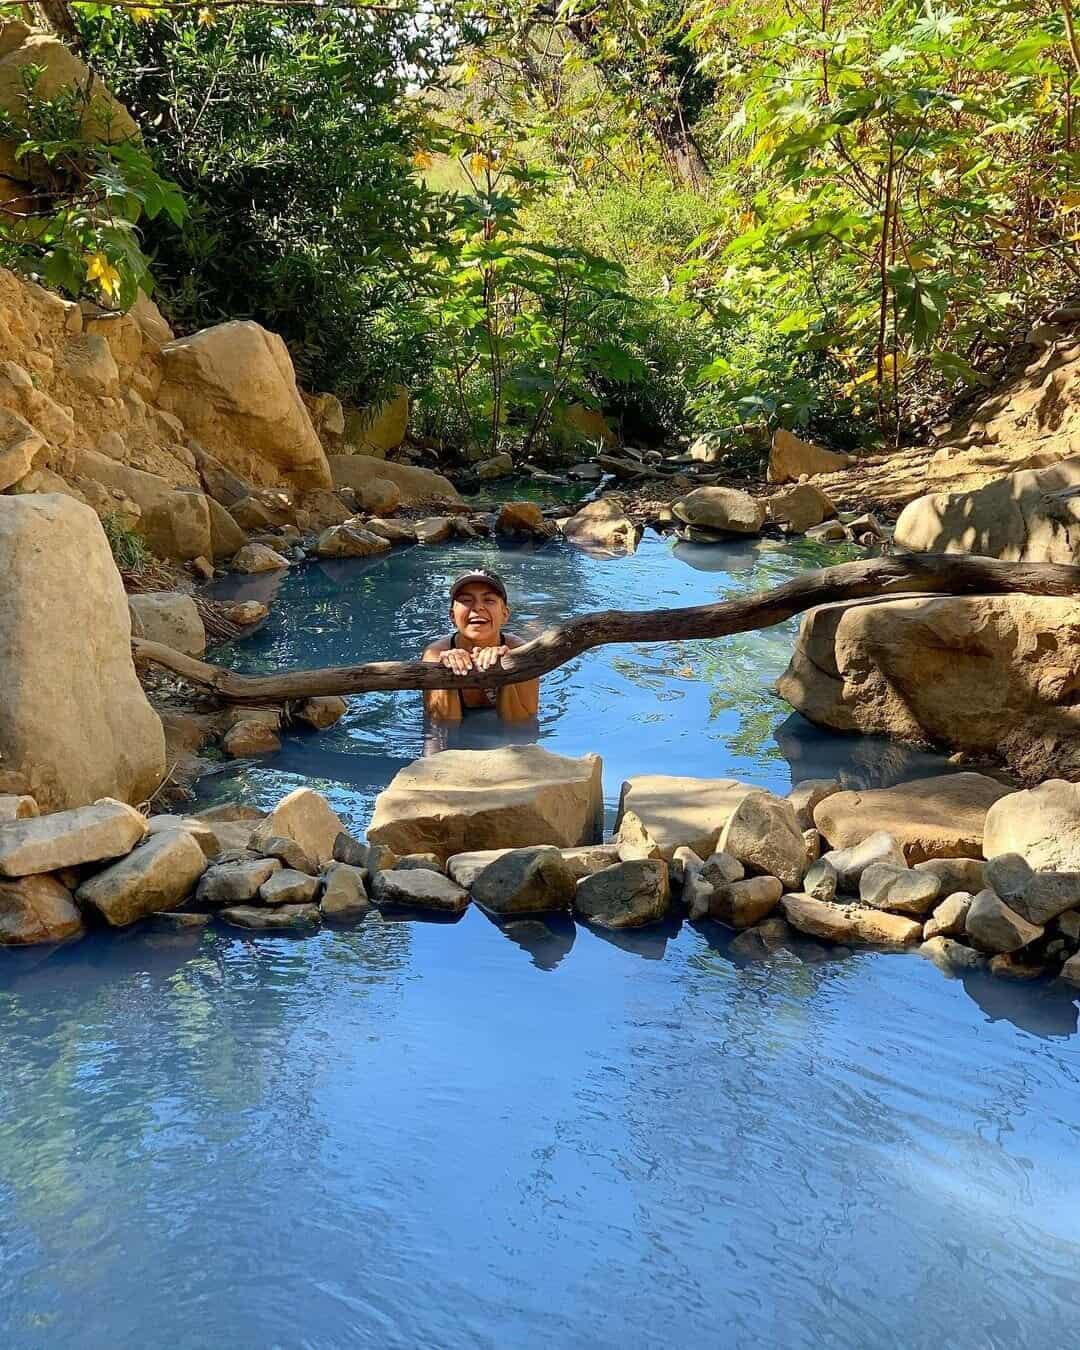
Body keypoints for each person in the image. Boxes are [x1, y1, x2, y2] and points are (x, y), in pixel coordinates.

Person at [421, 569, 540, 722]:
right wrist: (448, 674)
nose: (477, 607)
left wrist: (505, 672)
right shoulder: (435, 654)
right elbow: (443, 729)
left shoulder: (521, 652)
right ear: (452, 616)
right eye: (466, 600)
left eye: (489, 600)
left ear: (505, 614)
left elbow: (522, 726)